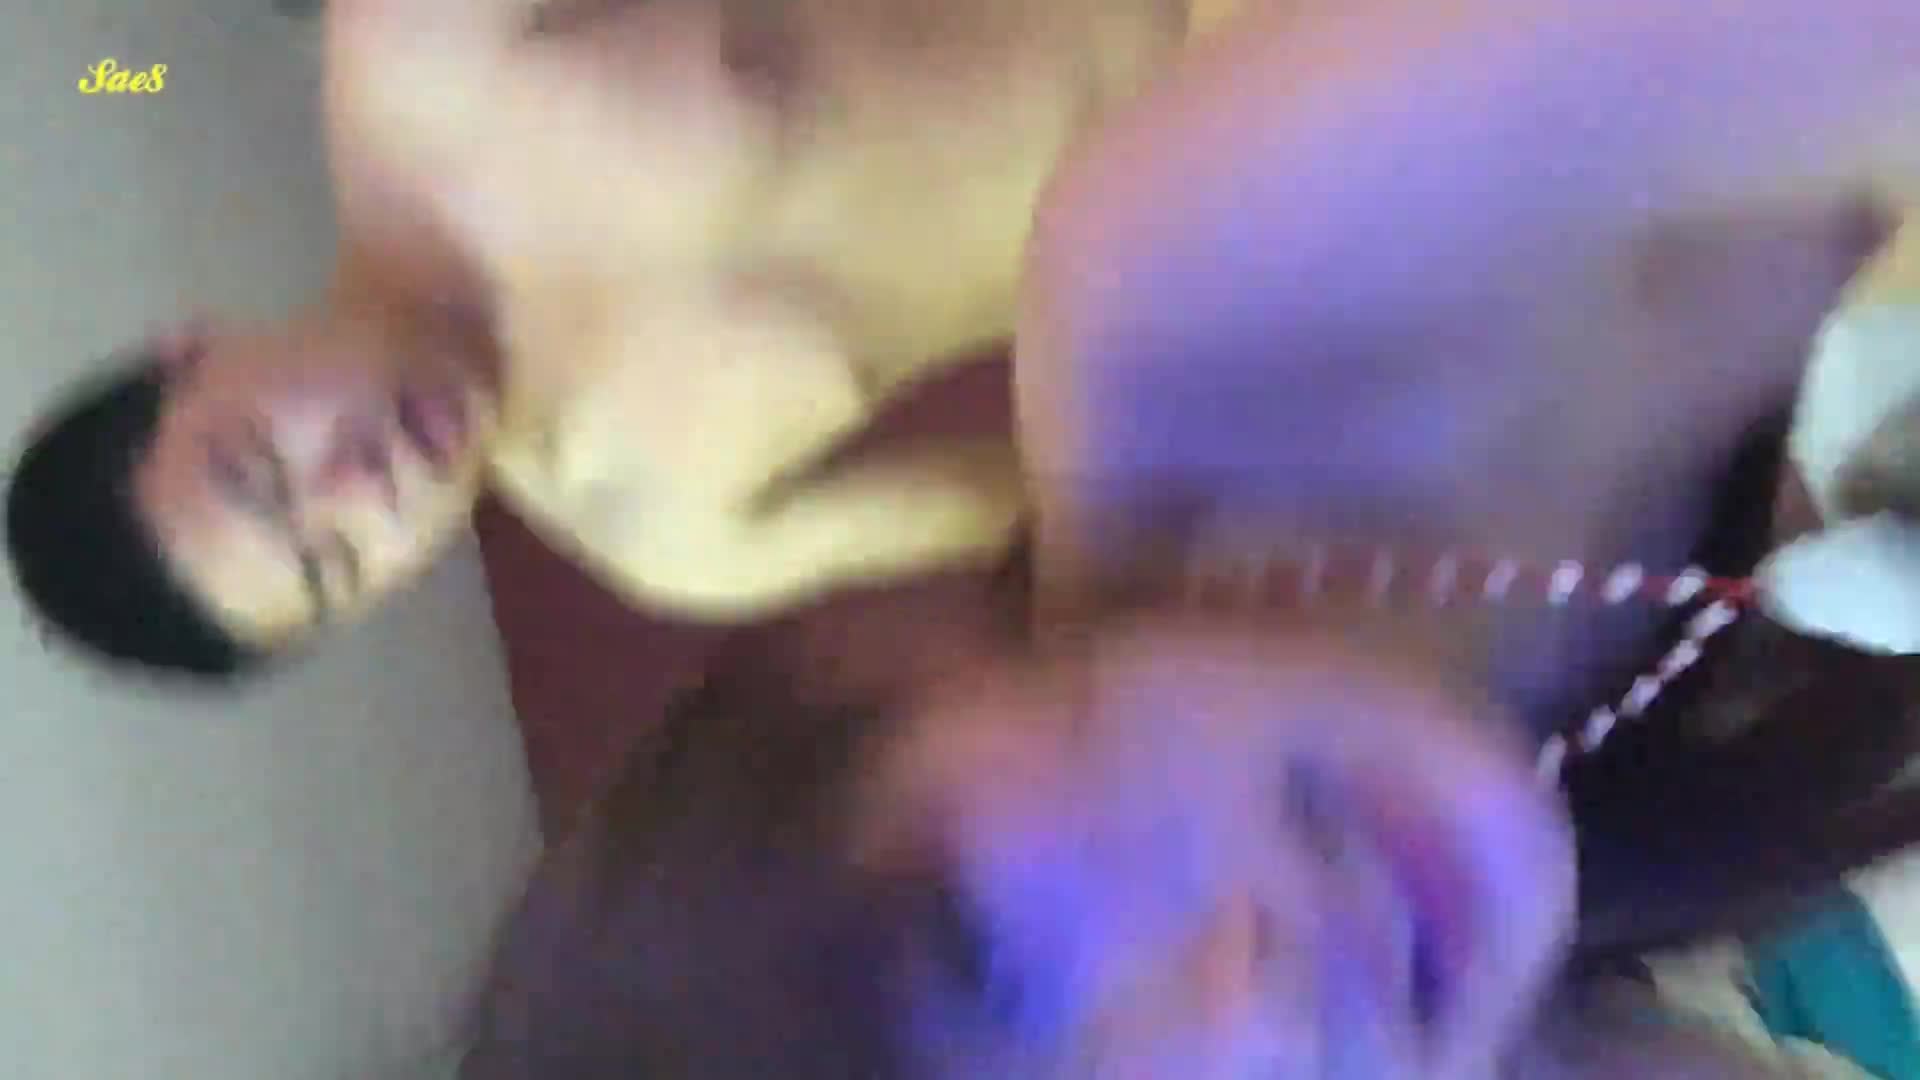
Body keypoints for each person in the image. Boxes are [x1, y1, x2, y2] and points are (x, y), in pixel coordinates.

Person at [456, 1, 1920, 1076]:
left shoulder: (1235, 278)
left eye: (997, 959)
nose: (1239, 999)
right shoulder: (1492, 986)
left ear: (874, 671)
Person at [5, 0, 1204, 680]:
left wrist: (123, 73)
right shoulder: (672, 529)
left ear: (194, 348)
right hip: (1267, 152)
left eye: (264, 469)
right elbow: (1081, 510)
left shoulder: (423, 56)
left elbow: (133, 69)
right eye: (338, 564)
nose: (357, 487)